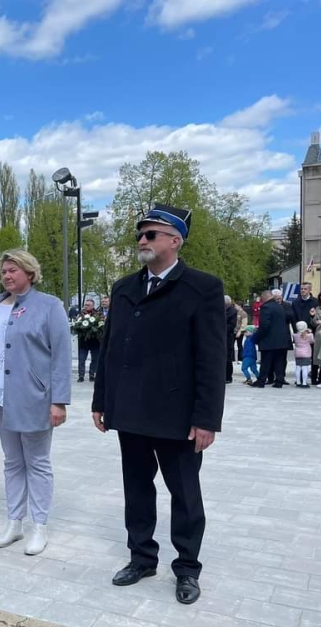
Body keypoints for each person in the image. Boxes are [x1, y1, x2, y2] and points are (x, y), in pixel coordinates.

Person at [91, 204, 225, 605]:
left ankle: (187, 567)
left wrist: (206, 419)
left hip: (176, 415)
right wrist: (101, 399)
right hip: (130, 410)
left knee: (184, 494)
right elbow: (110, 348)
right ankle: (142, 557)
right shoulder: (124, 287)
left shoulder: (201, 287)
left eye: (150, 234)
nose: (142, 241)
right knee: (136, 489)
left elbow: (211, 358)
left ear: (175, 240)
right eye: (140, 234)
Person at [0, 249, 71, 556]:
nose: (7, 275)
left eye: (13, 270)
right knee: (12, 461)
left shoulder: (49, 306)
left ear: (30, 273)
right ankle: (14, 521)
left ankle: (40, 525)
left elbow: (61, 354)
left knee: (37, 462)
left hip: (34, 396)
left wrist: (59, 400)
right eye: (4, 271)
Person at [252, 290, 292, 389]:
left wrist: (257, 337)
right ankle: (279, 381)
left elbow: (264, 325)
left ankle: (261, 381)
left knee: (265, 362)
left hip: (269, 340)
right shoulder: (280, 307)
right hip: (281, 340)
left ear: (264, 297)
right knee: (279, 362)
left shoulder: (266, 307)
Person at [74, 298, 101, 383]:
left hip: (95, 341)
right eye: (85, 305)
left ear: (93, 306)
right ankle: (81, 376)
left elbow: (100, 325)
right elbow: (76, 324)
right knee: (82, 359)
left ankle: (92, 375)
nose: (86, 306)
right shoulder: (81, 314)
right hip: (83, 342)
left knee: (95, 359)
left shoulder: (98, 314)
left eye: (88, 305)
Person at [292, 321, 314, 388]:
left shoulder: (295, 335)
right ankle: (304, 383)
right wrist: (309, 332)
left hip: (297, 353)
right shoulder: (309, 335)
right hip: (306, 353)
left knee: (298, 368)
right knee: (305, 368)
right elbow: (312, 341)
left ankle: (298, 382)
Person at [224, 296, 237, 384]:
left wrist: (221, 329)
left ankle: (228, 377)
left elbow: (232, 325)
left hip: (228, 337)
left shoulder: (232, 311)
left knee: (228, 357)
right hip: (222, 336)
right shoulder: (221, 309)